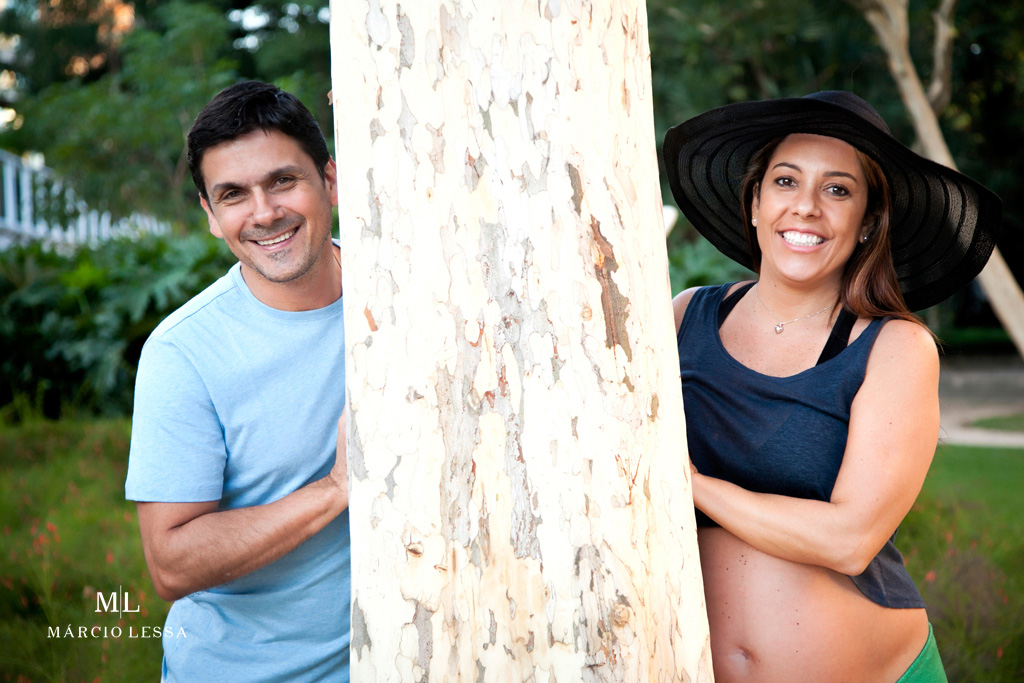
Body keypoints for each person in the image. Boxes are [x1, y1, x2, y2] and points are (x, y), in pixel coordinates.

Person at [663, 91, 1001, 682]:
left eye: (838, 190)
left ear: (868, 222)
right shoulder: (683, 317)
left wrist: (688, 484)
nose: (807, 208)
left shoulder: (894, 349)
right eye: (786, 181)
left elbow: (851, 540)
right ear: (755, 201)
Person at [125, 81, 350, 682]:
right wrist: (334, 488)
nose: (264, 212)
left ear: (329, 180)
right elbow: (171, 564)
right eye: (233, 194)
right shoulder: (183, 353)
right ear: (209, 214)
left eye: (283, 180)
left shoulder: (404, 298)